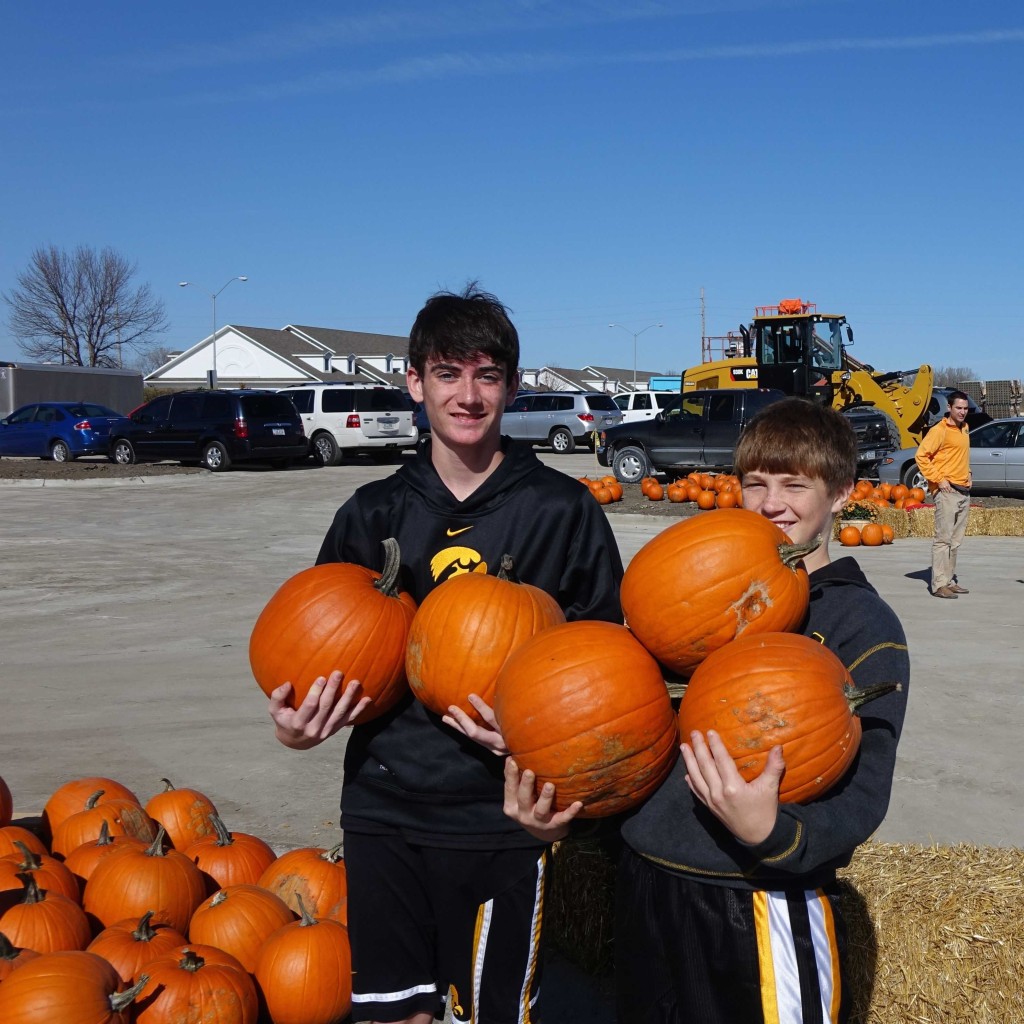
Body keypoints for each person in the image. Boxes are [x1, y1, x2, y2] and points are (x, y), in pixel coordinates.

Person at [268, 284, 623, 1024]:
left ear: (513, 387)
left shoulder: (564, 512)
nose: (468, 394)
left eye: (487, 375)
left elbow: (609, 670)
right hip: (384, 808)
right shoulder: (372, 512)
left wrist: (556, 780)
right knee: (396, 1013)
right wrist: (294, 728)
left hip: (503, 818)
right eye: (448, 374)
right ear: (415, 383)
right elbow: (316, 643)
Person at [606, 398, 909, 1024]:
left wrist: (773, 833)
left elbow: (864, 794)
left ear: (843, 494)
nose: (772, 504)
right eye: (755, 484)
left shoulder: (860, 625)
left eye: (795, 485)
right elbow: (620, 720)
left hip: (761, 895)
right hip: (649, 881)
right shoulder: (699, 592)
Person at [915, 390, 972, 598]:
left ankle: (948, 580)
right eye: (958, 408)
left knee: (955, 541)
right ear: (949, 408)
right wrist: (938, 479)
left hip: (963, 491)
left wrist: (969, 473)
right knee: (943, 540)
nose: (962, 412)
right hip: (947, 492)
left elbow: (961, 455)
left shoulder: (965, 428)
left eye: (965, 408)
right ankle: (939, 585)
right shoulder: (939, 430)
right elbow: (921, 456)